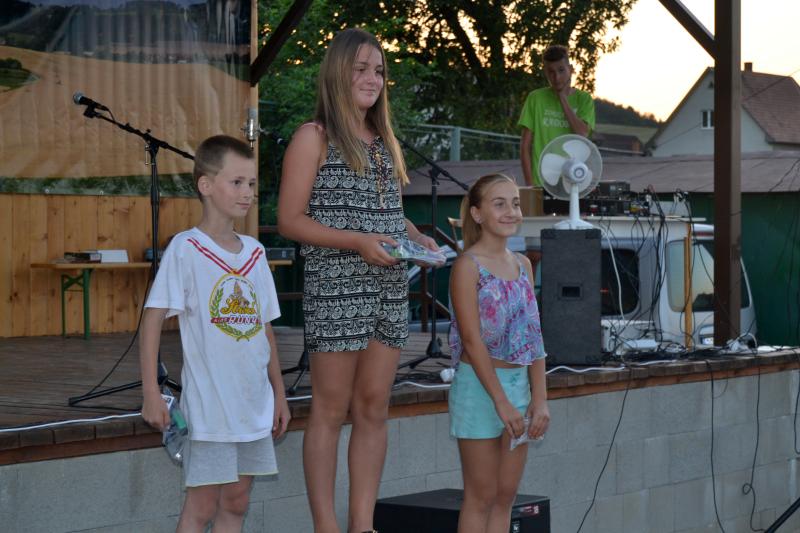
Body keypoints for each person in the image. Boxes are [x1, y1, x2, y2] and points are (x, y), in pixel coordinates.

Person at [277, 28, 439, 533]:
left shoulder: (385, 142)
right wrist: (357, 242)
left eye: (379, 71)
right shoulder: (313, 137)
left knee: (373, 408)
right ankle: (326, 527)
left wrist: (417, 238)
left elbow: (386, 214)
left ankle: (362, 525)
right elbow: (289, 220)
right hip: (336, 288)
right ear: (338, 73)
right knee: (330, 409)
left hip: (389, 290)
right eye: (361, 69)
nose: (373, 78)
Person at [140, 135, 290, 532]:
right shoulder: (186, 248)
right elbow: (152, 320)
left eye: (251, 183)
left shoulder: (256, 253)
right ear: (205, 185)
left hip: (253, 406)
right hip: (211, 409)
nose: (247, 193)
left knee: (237, 503)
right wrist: (151, 392)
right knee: (202, 505)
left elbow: (264, 330)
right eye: (236, 182)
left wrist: (279, 394)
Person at [448, 174, 549, 533]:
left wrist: (540, 398)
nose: (511, 211)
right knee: (481, 497)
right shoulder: (467, 266)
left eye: (515, 203)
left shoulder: (523, 264)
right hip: (480, 390)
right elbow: (472, 341)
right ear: (477, 214)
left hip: (518, 386)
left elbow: (533, 335)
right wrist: (501, 402)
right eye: (499, 203)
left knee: (505, 496)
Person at [518, 44, 595, 190]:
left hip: (572, 181)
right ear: (546, 73)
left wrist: (562, 99)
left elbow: (582, 133)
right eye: (551, 72)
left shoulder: (584, 99)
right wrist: (530, 186)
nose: (557, 77)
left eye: (561, 70)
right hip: (540, 182)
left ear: (571, 69)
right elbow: (525, 146)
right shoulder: (535, 98)